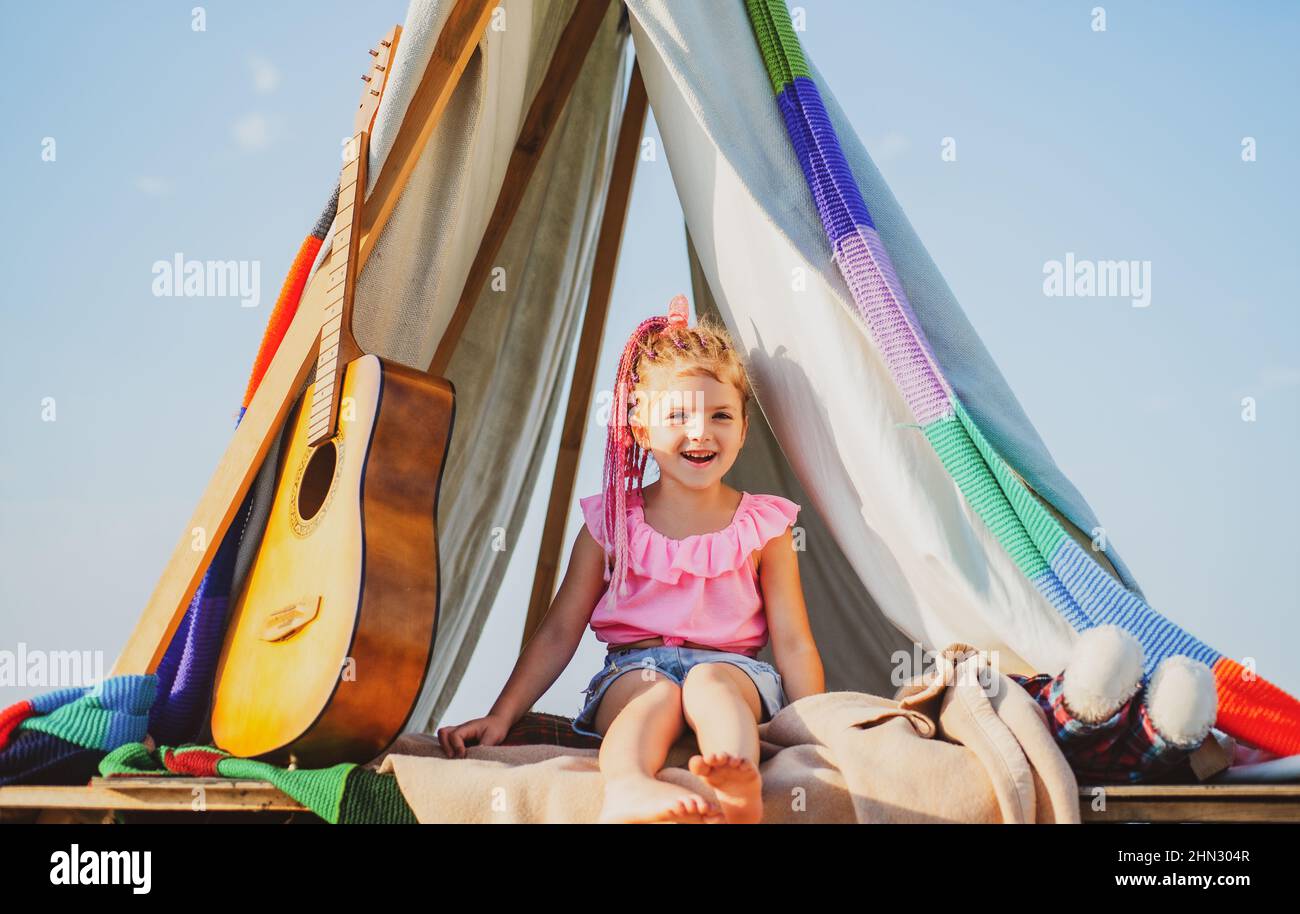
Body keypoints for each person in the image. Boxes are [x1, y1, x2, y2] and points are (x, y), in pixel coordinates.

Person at [437, 294, 825, 823]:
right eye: (679, 414)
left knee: (712, 684)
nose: (701, 431)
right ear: (640, 429)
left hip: (732, 669)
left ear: (743, 430)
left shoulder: (765, 526)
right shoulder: (611, 524)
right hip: (635, 669)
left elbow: (794, 640)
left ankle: (738, 781)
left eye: (720, 415)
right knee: (655, 694)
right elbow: (558, 633)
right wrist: (503, 716)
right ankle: (629, 787)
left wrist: (813, 730)